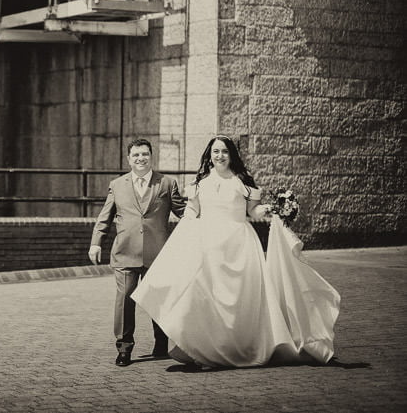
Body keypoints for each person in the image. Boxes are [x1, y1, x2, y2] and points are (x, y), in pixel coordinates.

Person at [132, 135, 340, 368]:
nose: (220, 156)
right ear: (209, 156)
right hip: (209, 246)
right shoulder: (201, 183)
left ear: (231, 155)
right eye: (215, 152)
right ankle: (201, 347)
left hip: (239, 246)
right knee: (205, 296)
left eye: (224, 152)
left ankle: (239, 346)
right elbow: (192, 209)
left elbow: (253, 212)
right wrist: (185, 233)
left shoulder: (243, 182)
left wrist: (273, 208)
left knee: (240, 300)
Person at [88, 138, 186, 367]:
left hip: (158, 254)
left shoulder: (167, 183)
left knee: (158, 300)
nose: (141, 158)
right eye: (136, 155)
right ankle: (124, 348)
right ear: (129, 159)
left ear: (151, 156)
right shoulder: (117, 184)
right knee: (124, 300)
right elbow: (105, 216)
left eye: (145, 154)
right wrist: (96, 242)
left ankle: (161, 342)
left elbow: (184, 213)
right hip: (125, 252)